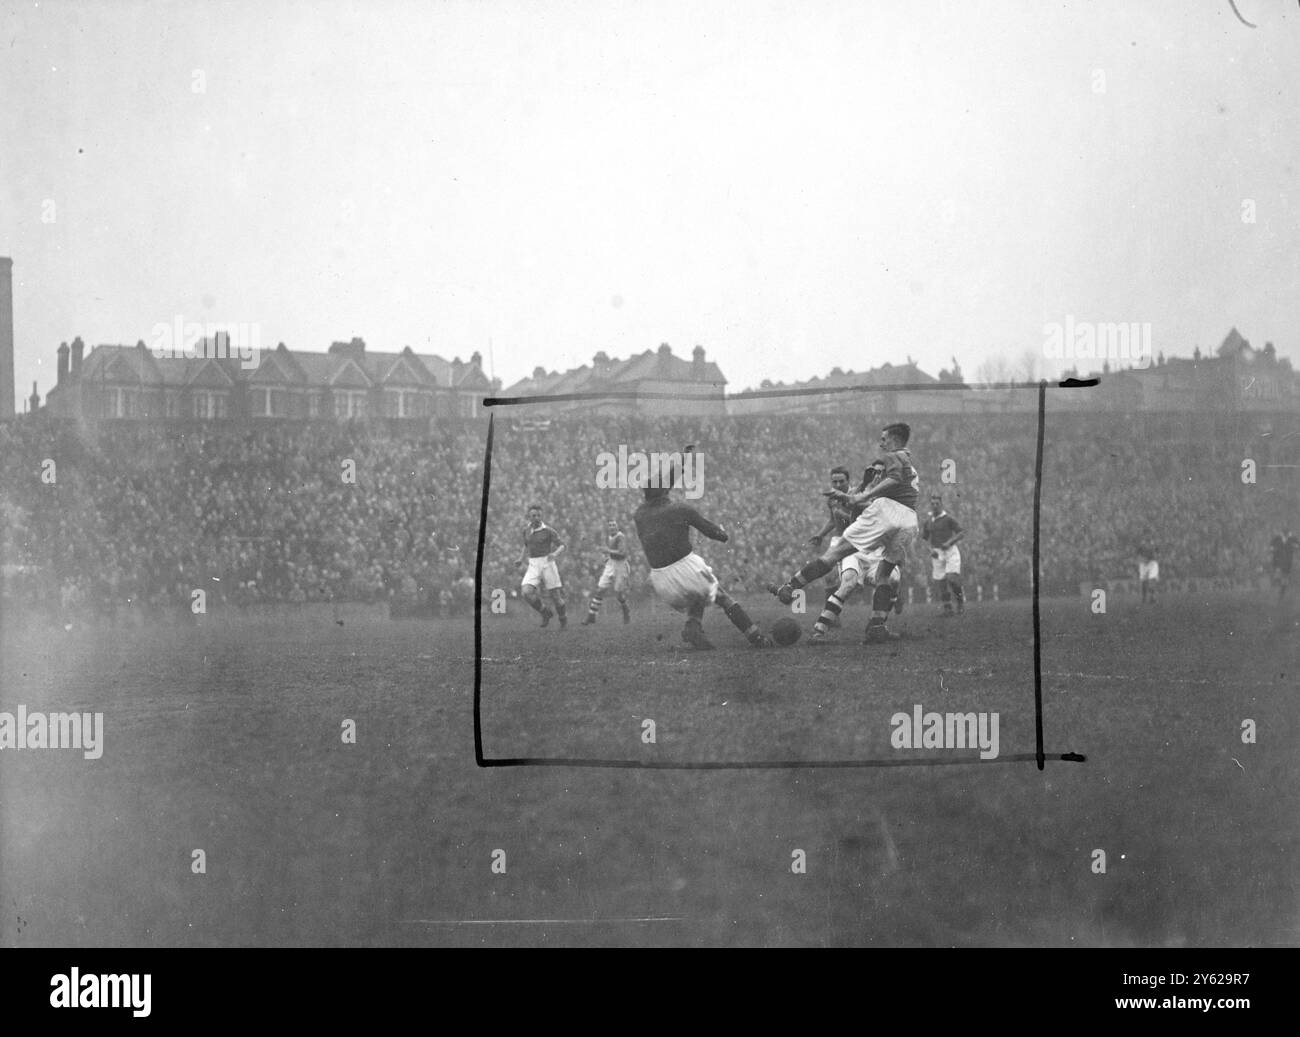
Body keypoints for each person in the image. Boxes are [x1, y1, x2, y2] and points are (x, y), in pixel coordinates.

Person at [770, 422, 919, 643]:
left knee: (834, 554)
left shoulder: (892, 455)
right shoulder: (909, 460)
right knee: (884, 576)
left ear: (895, 440)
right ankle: (877, 626)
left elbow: (894, 478)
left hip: (887, 511)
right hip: (909, 520)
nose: (881, 443)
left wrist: (860, 497)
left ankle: (790, 587)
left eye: (884, 438)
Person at [633, 486, 772, 650]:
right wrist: (723, 533)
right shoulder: (680, 509)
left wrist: (677, 469)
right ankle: (756, 637)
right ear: (666, 492)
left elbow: (656, 491)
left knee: (697, 594)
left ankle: (693, 627)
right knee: (723, 598)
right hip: (685, 568)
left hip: (660, 580)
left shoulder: (639, 515)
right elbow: (715, 533)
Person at [518, 504, 567, 628]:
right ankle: (545, 612)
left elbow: (562, 545)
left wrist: (555, 554)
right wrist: (520, 558)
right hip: (533, 564)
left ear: (542, 516)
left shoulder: (548, 531)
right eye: (533, 515)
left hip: (547, 563)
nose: (536, 518)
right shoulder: (526, 530)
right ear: (529, 517)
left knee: (556, 596)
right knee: (526, 592)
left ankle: (563, 618)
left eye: (539, 515)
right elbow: (526, 545)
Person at [583, 518, 632, 625]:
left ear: (617, 526)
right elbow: (607, 552)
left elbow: (622, 553)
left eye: (614, 525)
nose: (612, 527)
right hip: (611, 563)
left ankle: (626, 611)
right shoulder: (608, 537)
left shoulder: (620, 537)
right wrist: (605, 556)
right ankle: (592, 615)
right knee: (600, 589)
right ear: (608, 527)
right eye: (610, 525)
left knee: (619, 594)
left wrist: (608, 551)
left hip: (621, 565)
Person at [923, 493, 965, 615]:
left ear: (941, 504)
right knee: (941, 582)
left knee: (952, 579)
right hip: (937, 553)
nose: (935, 506)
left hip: (950, 551)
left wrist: (949, 542)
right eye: (932, 504)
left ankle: (960, 602)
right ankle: (948, 609)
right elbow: (925, 539)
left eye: (937, 504)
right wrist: (930, 550)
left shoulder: (948, 519)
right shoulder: (928, 522)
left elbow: (961, 532)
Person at [1269, 529, 1298, 602]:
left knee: (1285, 577)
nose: (1285, 535)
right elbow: (1271, 546)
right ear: (1281, 533)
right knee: (1277, 574)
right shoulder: (1277, 538)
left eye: (1286, 534)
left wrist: (1295, 546)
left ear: (1289, 534)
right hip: (1277, 560)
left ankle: (1282, 592)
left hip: (1287, 562)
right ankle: (1274, 590)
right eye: (1284, 534)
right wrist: (1272, 549)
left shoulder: (1292, 539)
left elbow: (1298, 546)